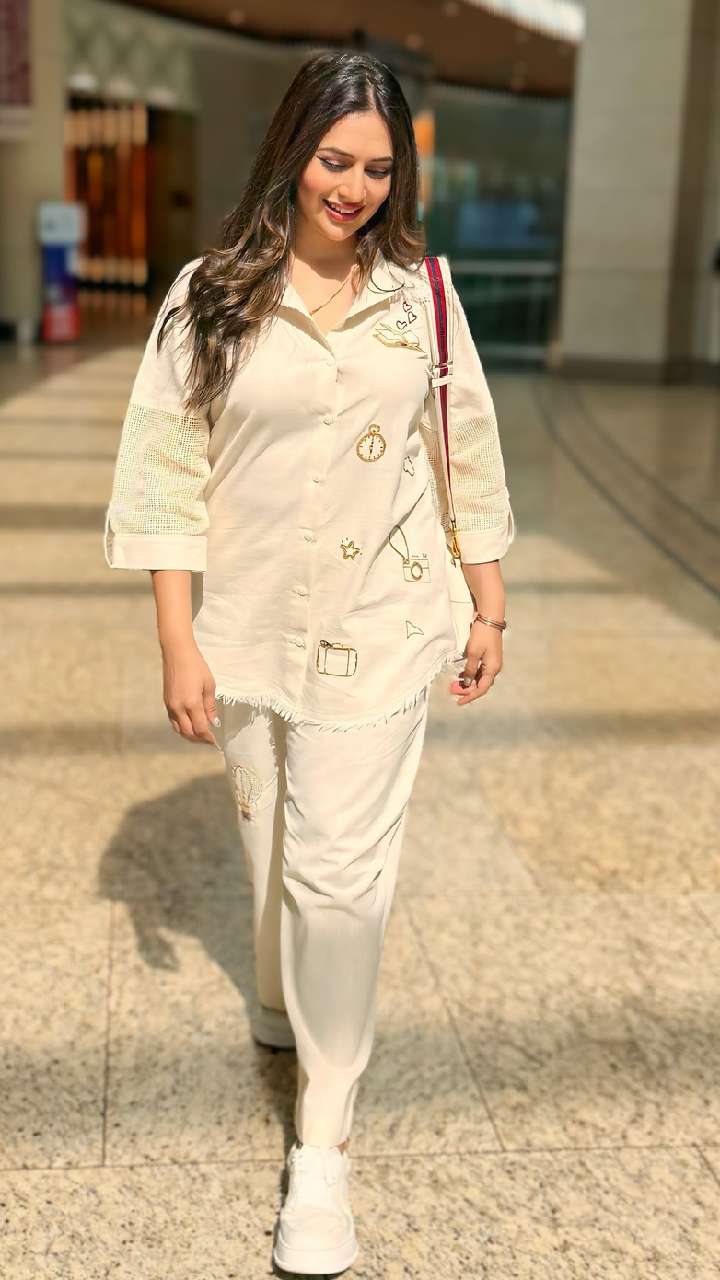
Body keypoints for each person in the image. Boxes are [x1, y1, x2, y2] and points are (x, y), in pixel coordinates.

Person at [103, 48, 516, 1277]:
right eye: (337, 160)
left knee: (339, 881)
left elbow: (466, 444)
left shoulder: (420, 295)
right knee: (274, 851)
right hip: (244, 630)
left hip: (380, 624)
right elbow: (167, 467)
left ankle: (323, 1141)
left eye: (379, 169)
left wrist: (489, 604)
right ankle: (284, 1002)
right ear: (292, 151)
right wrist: (176, 638)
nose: (355, 188)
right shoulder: (210, 296)